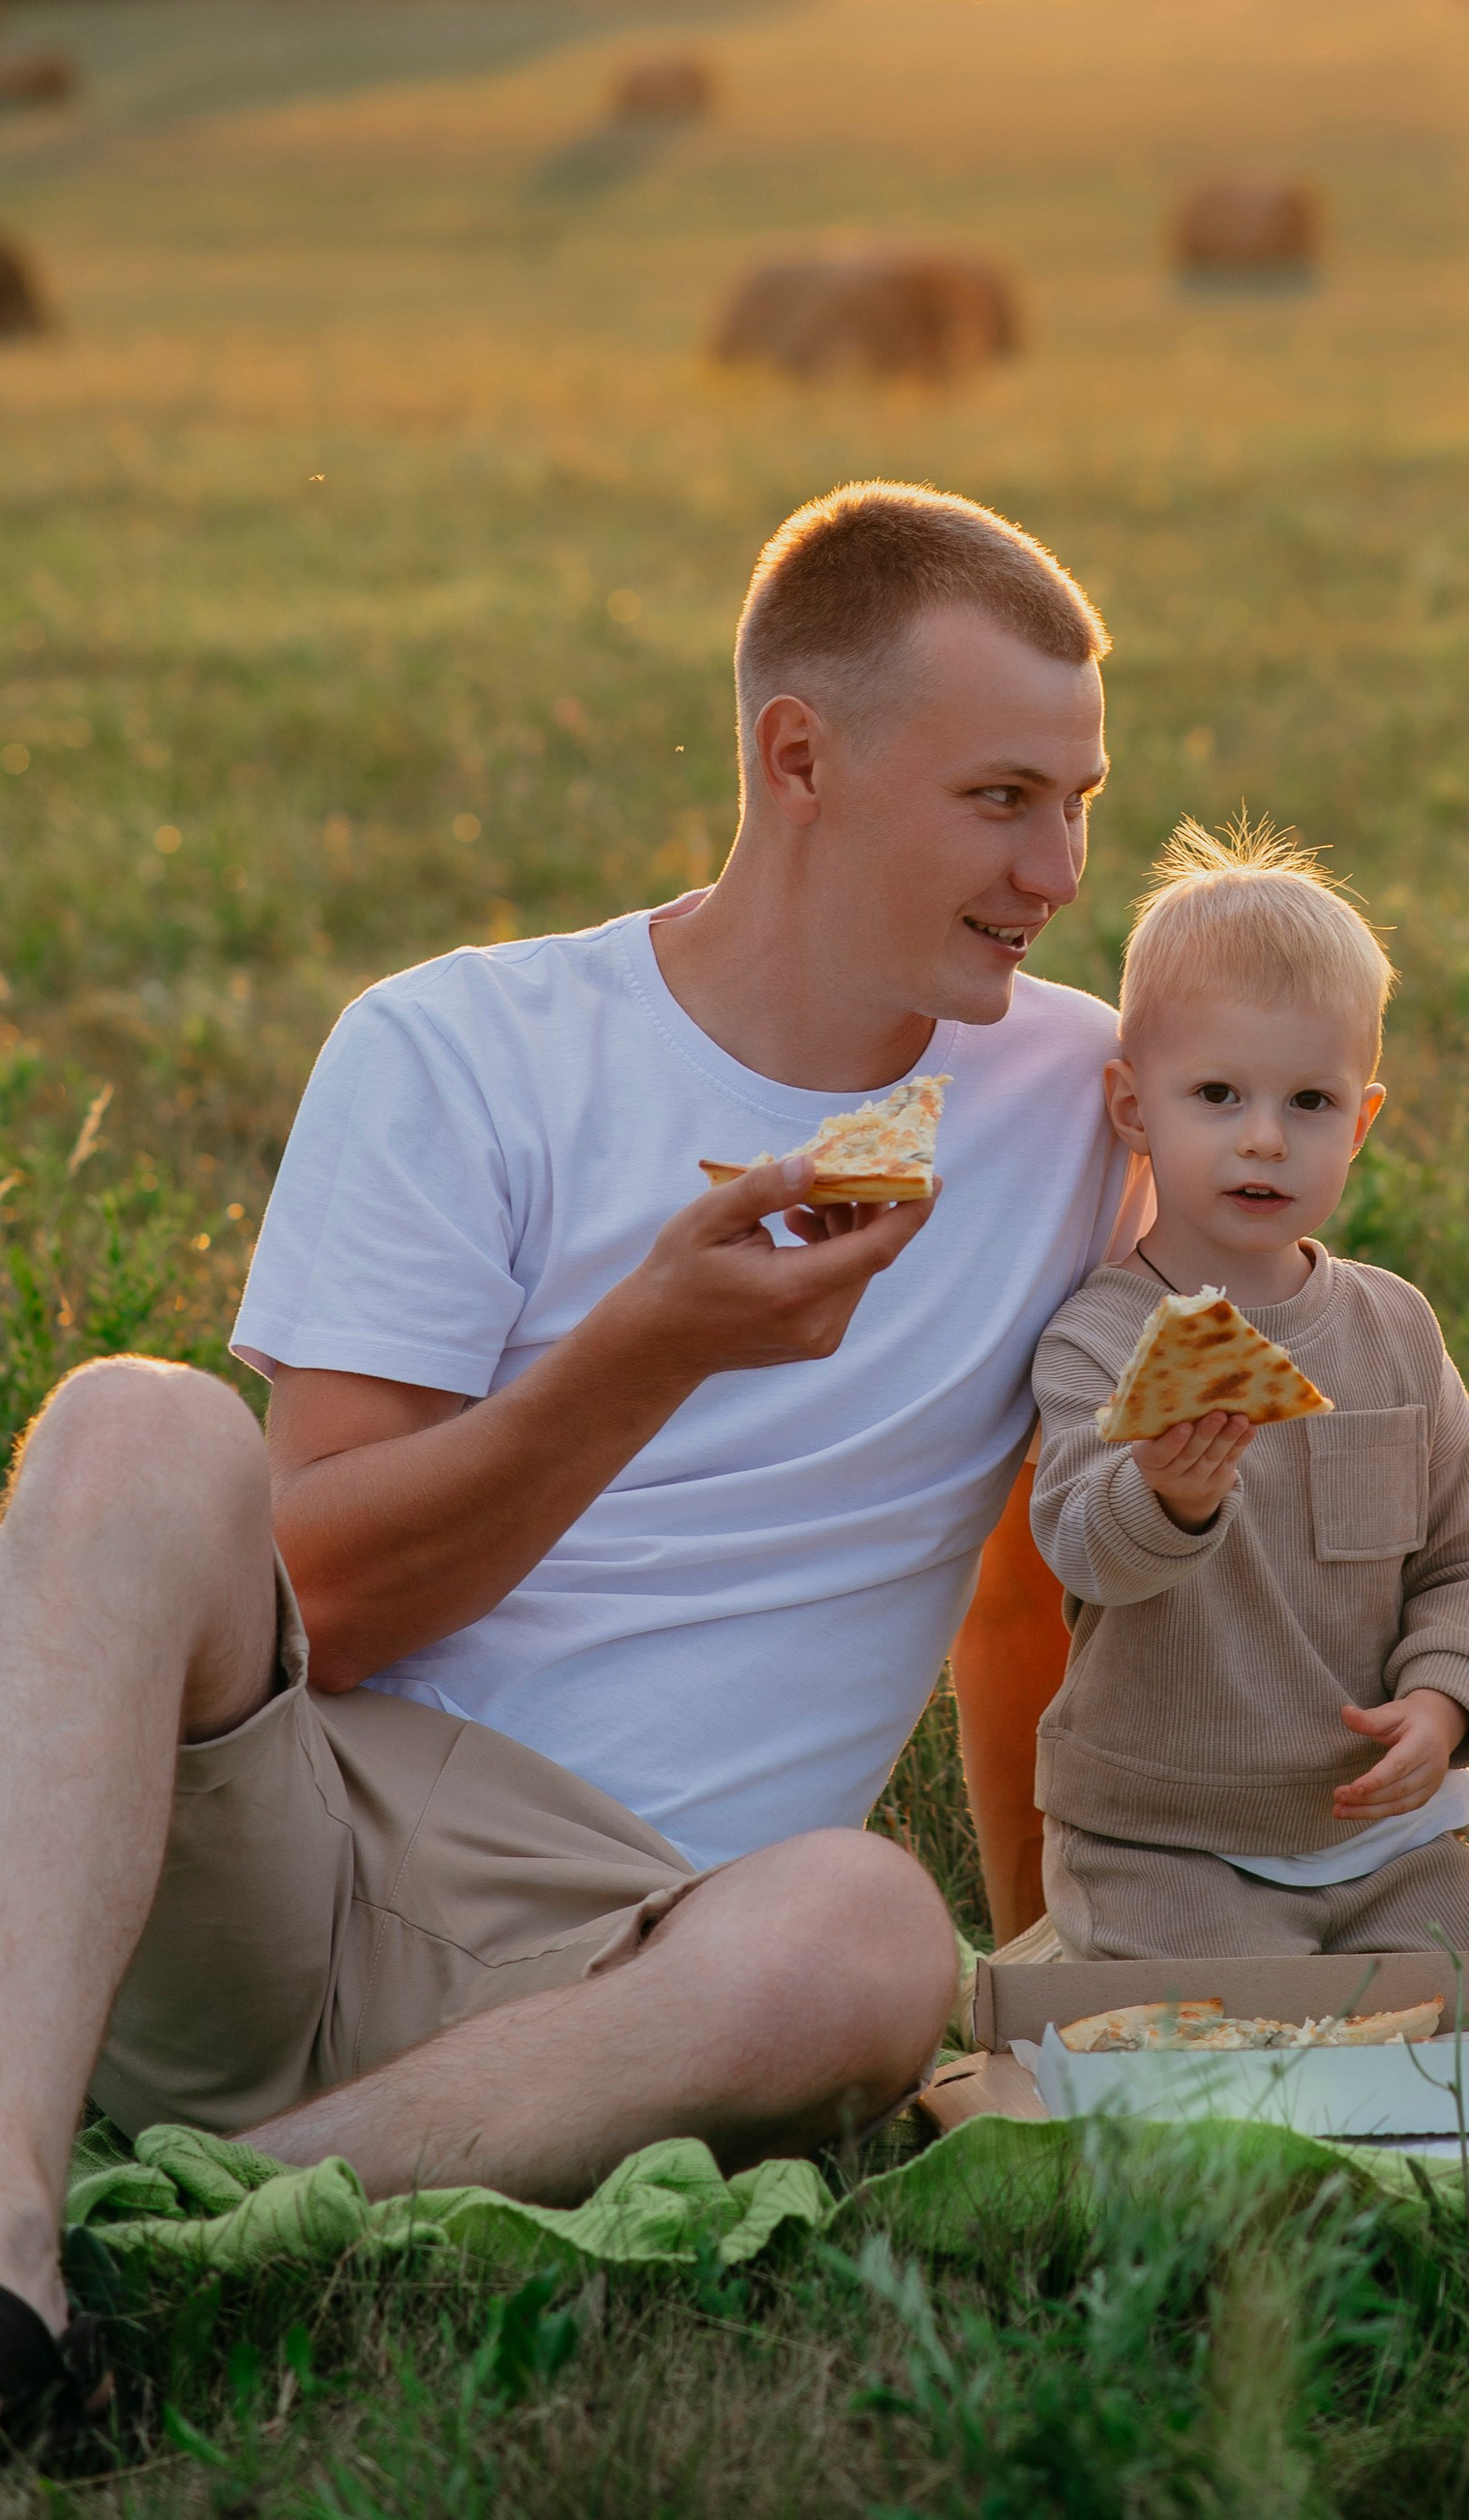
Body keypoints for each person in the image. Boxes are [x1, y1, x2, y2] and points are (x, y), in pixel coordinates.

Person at [0, 478, 1142, 2441]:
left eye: (1081, 804)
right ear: (799, 757)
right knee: (130, 1419)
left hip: (650, 1960)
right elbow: (323, 1605)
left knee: (874, 1925)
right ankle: (8, 2221)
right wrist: (636, 1356)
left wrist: (1049, 1949)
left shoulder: (1076, 1103)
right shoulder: (464, 1047)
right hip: (300, 1849)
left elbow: (1030, 1581)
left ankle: (201, 2238)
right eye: (999, 799)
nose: (1055, 866)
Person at [1027, 820, 1469, 1957]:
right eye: (1216, 1093)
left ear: (1360, 1121)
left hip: (1382, 1839)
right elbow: (1077, 1544)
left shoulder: (1392, 1328)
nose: (1263, 1138)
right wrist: (1165, 1494)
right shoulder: (1100, 1342)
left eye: (1308, 1103)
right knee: (1217, 2065)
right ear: (1132, 1108)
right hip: (1162, 1841)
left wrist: (1446, 1701)